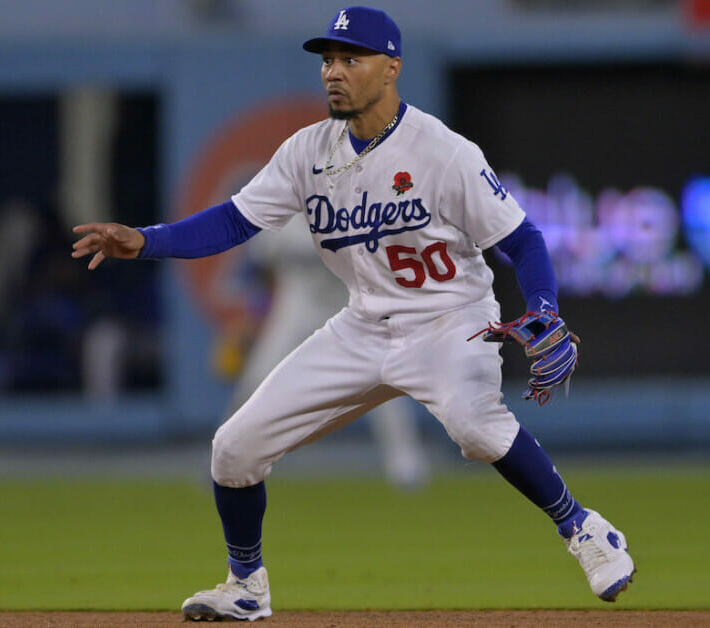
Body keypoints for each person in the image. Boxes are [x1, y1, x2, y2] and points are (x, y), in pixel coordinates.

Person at [72, 6, 636, 620]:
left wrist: (544, 306)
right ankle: (245, 586)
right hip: (362, 325)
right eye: (328, 60)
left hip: (450, 320)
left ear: (391, 68)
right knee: (233, 449)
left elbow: (522, 240)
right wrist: (146, 240)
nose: (333, 72)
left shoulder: (444, 152)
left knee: (476, 428)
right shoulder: (306, 151)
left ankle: (583, 528)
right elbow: (235, 220)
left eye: (351, 59)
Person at [226, 212, 429, 489]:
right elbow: (260, 270)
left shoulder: (355, 209)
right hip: (296, 304)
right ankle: (230, 456)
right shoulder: (282, 213)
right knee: (259, 378)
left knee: (382, 379)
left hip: (347, 303)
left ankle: (406, 463)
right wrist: (250, 319)